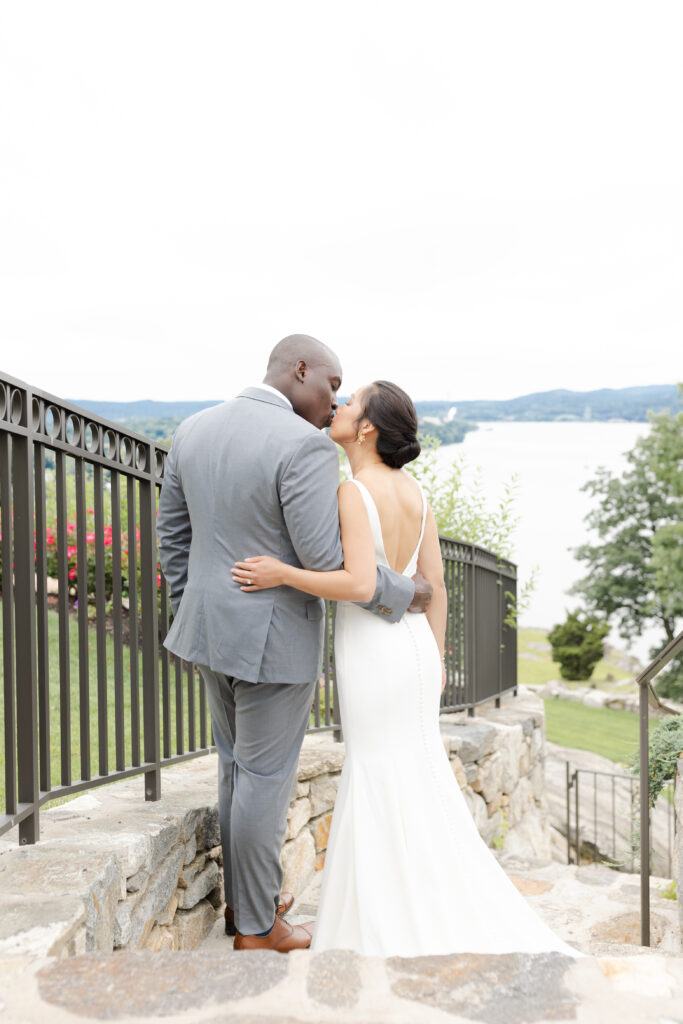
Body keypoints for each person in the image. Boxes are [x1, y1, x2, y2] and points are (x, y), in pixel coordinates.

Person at [232, 379, 583, 958]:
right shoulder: (415, 491)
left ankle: (381, 919)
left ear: (366, 428)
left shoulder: (352, 492)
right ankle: (420, 900)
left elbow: (361, 585)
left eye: (350, 404)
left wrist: (283, 574)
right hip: (416, 649)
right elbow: (436, 586)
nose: (339, 408)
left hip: (373, 651)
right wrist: (438, 655)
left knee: (375, 772)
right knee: (413, 773)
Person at [156, 336, 432, 954]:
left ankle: (243, 907)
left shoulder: (193, 429)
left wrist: (196, 608)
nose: (333, 401)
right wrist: (407, 591)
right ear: (299, 369)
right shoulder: (303, 445)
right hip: (273, 639)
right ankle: (257, 928)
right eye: (332, 385)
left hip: (207, 631)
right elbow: (326, 559)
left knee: (236, 769)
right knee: (262, 779)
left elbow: (173, 539)